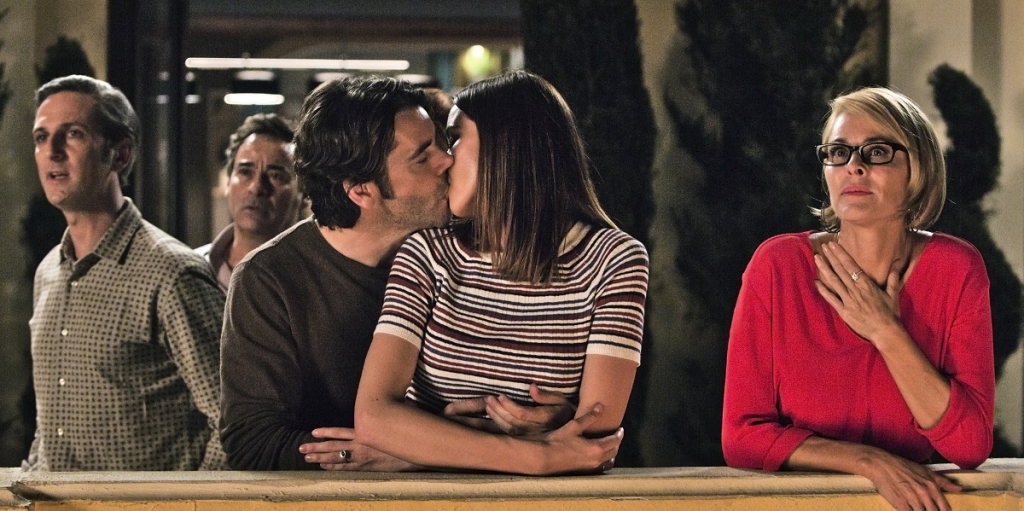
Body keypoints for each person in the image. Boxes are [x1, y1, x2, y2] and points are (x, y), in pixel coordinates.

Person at [353, 70, 650, 475]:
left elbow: (592, 442)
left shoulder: (614, 259)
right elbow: (373, 417)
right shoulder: (427, 252)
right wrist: (536, 454)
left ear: (506, 149)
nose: (445, 160)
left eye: (454, 138)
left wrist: (422, 445)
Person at [722, 87, 994, 511]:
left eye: (877, 152)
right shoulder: (778, 266)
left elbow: (970, 444)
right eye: (838, 152)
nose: (854, 166)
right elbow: (741, 435)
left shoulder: (956, 268)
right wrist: (869, 462)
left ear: (918, 168)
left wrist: (885, 330)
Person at [219, 76, 451, 470]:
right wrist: (388, 451)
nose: (447, 160)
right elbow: (253, 443)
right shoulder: (270, 278)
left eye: (441, 144)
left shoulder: (452, 253)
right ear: (361, 190)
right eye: (422, 157)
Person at [24, 75, 226, 470]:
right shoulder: (48, 271)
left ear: (120, 154)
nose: (52, 151)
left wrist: (197, 498)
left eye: (73, 134)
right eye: (41, 137)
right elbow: (51, 424)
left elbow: (232, 421)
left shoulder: (171, 273)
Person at [196, 113, 304, 290]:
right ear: (228, 182)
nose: (256, 187)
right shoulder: (192, 271)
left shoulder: (318, 280)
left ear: (305, 194)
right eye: (245, 172)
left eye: (275, 175)